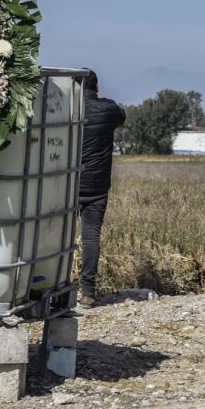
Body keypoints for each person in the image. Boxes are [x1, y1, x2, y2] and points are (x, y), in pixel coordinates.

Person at [78, 70, 125, 309]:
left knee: (56, 236)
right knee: (90, 235)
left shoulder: (67, 109)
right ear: (97, 88)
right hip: (97, 185)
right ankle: (87, 291)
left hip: (67, 183)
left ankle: (53, 288)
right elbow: (121, 115)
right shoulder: (108, 109)